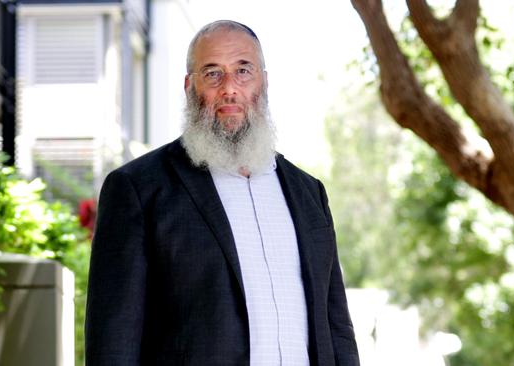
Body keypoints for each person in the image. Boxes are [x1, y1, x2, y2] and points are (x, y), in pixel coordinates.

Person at [85, 20, 360, 366]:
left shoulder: (310, 194)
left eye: (243, 70)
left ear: (264, 81)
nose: (230, 88)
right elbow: (113, 344)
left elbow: (337, 328)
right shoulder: (139, 190)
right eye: (212, 74)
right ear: (189, 86)